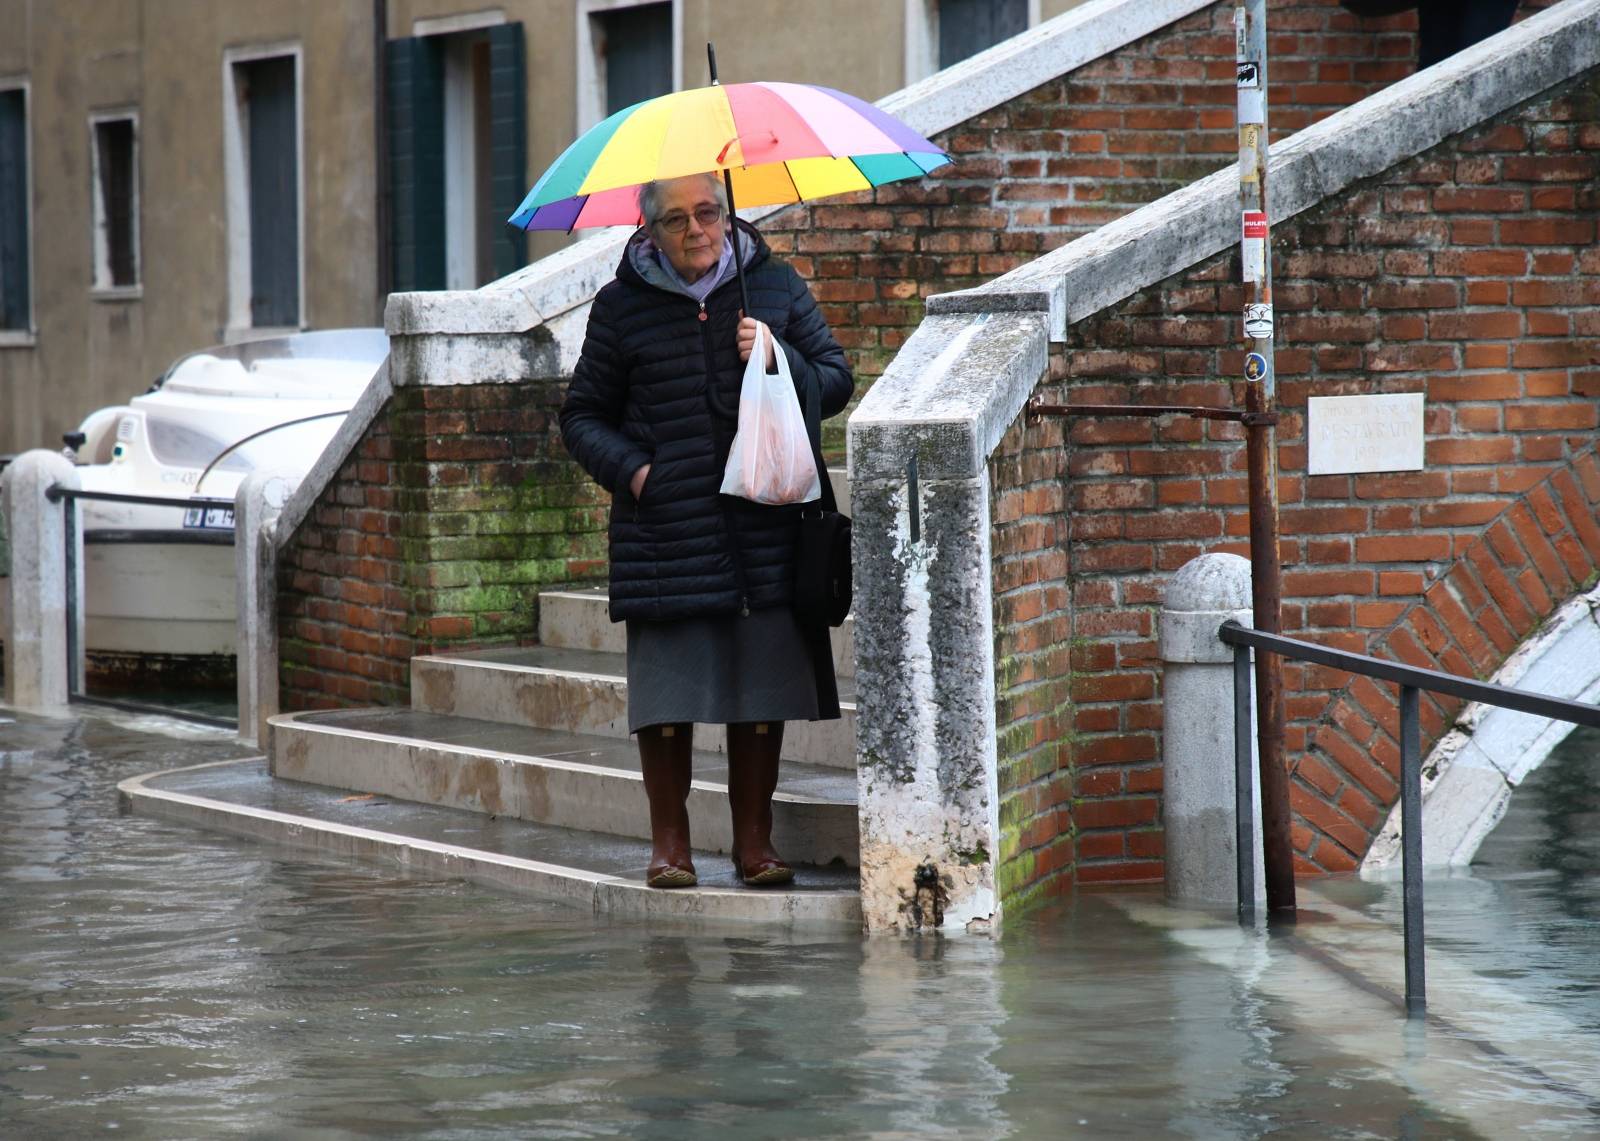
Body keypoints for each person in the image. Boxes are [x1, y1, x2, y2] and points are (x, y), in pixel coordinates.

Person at [560, 172, 854, 889]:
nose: (697, 230)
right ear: (648, 229)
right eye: (676, 219)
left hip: (766, 526)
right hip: (666, 529)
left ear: (725, 213)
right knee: (668, 696)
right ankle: (671, 844)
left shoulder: (774, 287)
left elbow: (838, 378)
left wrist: (778, 353)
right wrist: (637, 474)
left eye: (707, 212)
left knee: (759, 692)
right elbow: (582, 416)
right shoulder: (621, 307)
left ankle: (756, 842)